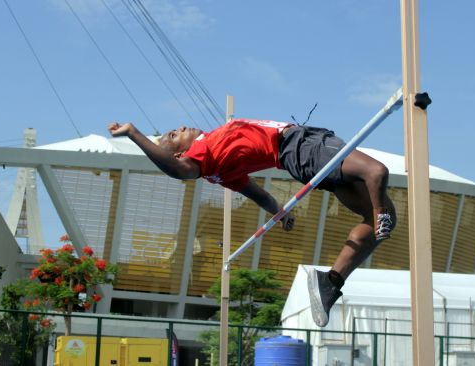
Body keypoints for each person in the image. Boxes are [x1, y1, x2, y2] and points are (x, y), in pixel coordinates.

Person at [108, 119, 396, 327]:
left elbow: (256, 192)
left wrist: (279, 211)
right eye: (174, 134)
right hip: (300, 146)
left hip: (299, 152)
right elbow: (180, 171)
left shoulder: (219, 167)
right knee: (377, 172)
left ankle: (331, 281)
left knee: (382, 218)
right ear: (181, 154)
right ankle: (379, 214)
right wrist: (134, 133)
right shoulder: (200, 155)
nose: (180, 126)